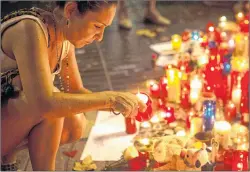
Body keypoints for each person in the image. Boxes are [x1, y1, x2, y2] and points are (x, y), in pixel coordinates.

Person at [1, 1, 147, 170]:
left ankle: (8, 153)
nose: (100, 37)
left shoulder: (63, 37)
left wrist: (122, 103)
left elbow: (75, 90)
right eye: (97, 26)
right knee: (52, 105)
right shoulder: (29, 29)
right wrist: (110, 99)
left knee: (75, 122)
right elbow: (44, 103)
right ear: (70, 10)